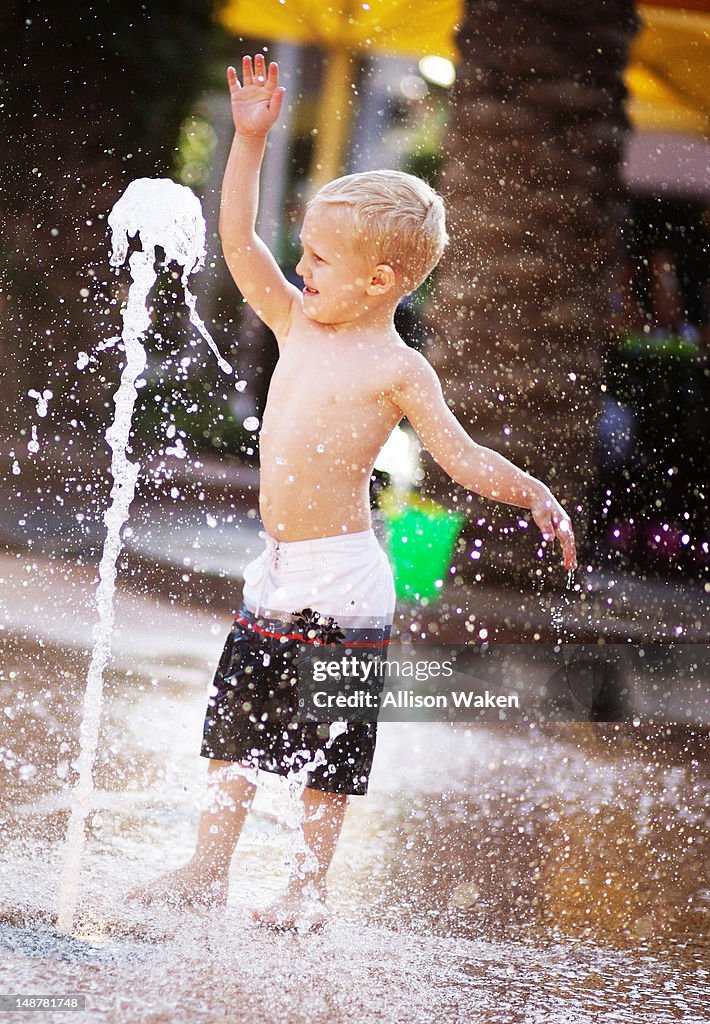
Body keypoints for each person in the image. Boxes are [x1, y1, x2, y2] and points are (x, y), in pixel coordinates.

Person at [128, 54, 577, 931]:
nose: (302, 268)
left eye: (322, 259)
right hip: (277, 569)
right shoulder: (296, 317)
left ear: (381, 281)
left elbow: (460, 456)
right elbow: (236, 244)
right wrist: (250, 139)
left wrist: (532, 493)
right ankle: (205, 870)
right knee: (236, 727)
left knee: (328, 744)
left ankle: (305, 885)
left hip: (342, 580)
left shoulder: (398, 368)